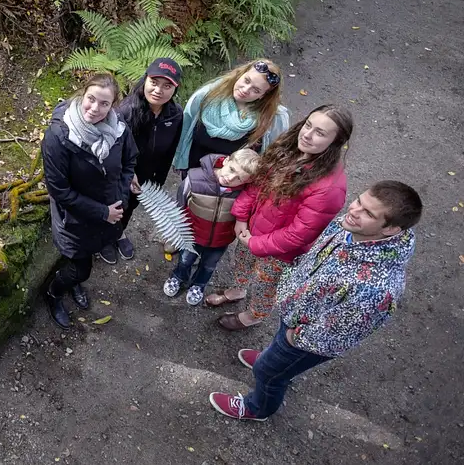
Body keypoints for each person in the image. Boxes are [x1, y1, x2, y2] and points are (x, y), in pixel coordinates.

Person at [209, 181, 423, 421]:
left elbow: (335, 334)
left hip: (306, 339)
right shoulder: (354, 227)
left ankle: (257, 408)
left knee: (268, 373)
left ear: (391, 229)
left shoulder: (377, 290)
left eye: (368, 213)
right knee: (276, 355)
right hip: (296, 313)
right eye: (360, 201)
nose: (354, 211)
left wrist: (294, 337)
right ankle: (274, 359)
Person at [214, 104, 352, 331]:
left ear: (336, 142)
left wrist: (255, 243)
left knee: (263, 285)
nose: (307, 135)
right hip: (252, 230)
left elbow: (299, 233)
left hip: (279, 254)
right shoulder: (288, 148)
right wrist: (241, 216)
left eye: (320, 133)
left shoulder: (330, 188)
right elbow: (258, 183)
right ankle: (238, 290)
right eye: (308, 125)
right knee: (242, 263)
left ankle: (253, 315)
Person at [42, 73, 138, 329]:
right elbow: (59, 190)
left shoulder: (118, 129)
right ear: (82, 95)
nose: (95, 109)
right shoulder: (59, 136)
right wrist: (103, 212)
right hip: (73, 219)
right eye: (91, 99)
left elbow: (129, 161)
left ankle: (73, 282)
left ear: (113, 105)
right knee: (80, 268)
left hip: (105, 213)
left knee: (82, 262)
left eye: (104, 104)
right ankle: (53, 293)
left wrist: (121, 197)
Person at [97, 58, 184, 264]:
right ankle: (103, 239)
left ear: (175, 89)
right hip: (119, 176)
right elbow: (110, 150)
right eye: (154, 82)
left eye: (167, 86)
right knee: (115, 206)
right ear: (145, 80)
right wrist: (127, 175)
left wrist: (157, 182)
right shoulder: (125, 112)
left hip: (146, 177)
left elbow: (169, 152)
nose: (158, 90)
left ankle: (119, 233)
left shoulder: (175, 115)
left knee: (131, 207)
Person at [163, 148, 260, 306]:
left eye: (239, 178)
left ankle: (198, 285)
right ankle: (178, 277)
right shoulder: (195, 178)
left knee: (209, 266)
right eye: (231, 170)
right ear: (226, 160)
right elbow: (180, 201)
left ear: (248, 181)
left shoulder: (245, 193)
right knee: (185, 259)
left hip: (220, 240)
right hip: (191, 234)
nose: (230, 178)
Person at [172, 60, 289, 175]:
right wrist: (179, 159)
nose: (245, 90)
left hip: (231, 181)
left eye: (256, 90)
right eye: (246, 80)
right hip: (193, 170)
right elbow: (185, 128)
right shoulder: (207, 95)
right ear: (240, 74)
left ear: (263, 96)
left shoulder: (271, 118)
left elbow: (272, 154)